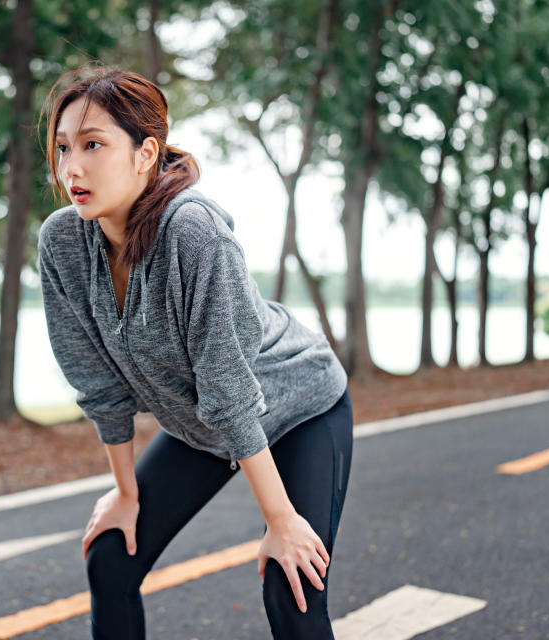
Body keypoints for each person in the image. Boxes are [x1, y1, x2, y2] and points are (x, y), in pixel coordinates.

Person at [35, 64, 354, 640]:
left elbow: (229, 391)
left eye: (93, 145)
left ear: (145, 153)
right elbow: (97, 383)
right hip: (202, 426)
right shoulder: (63, 242)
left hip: (298, 406)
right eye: (62, 148)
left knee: (292, 587)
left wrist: (280, 521)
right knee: (111, 558)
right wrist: (126, 494)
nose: (71, 167)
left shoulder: (195, 234)